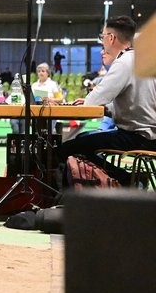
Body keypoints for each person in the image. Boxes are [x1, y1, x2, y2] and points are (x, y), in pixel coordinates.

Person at [57, 16, 156, 186]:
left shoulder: (124, 63)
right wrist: (106, 109)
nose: (102, 41)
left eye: (102, 36)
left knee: (67, 148)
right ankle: (129, 179)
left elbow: (93, 100)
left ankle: (128, 180)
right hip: (148, 135)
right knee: (82, 140)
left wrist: (87, 102)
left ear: (111, 38)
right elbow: (134, 102)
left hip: (137, 137)